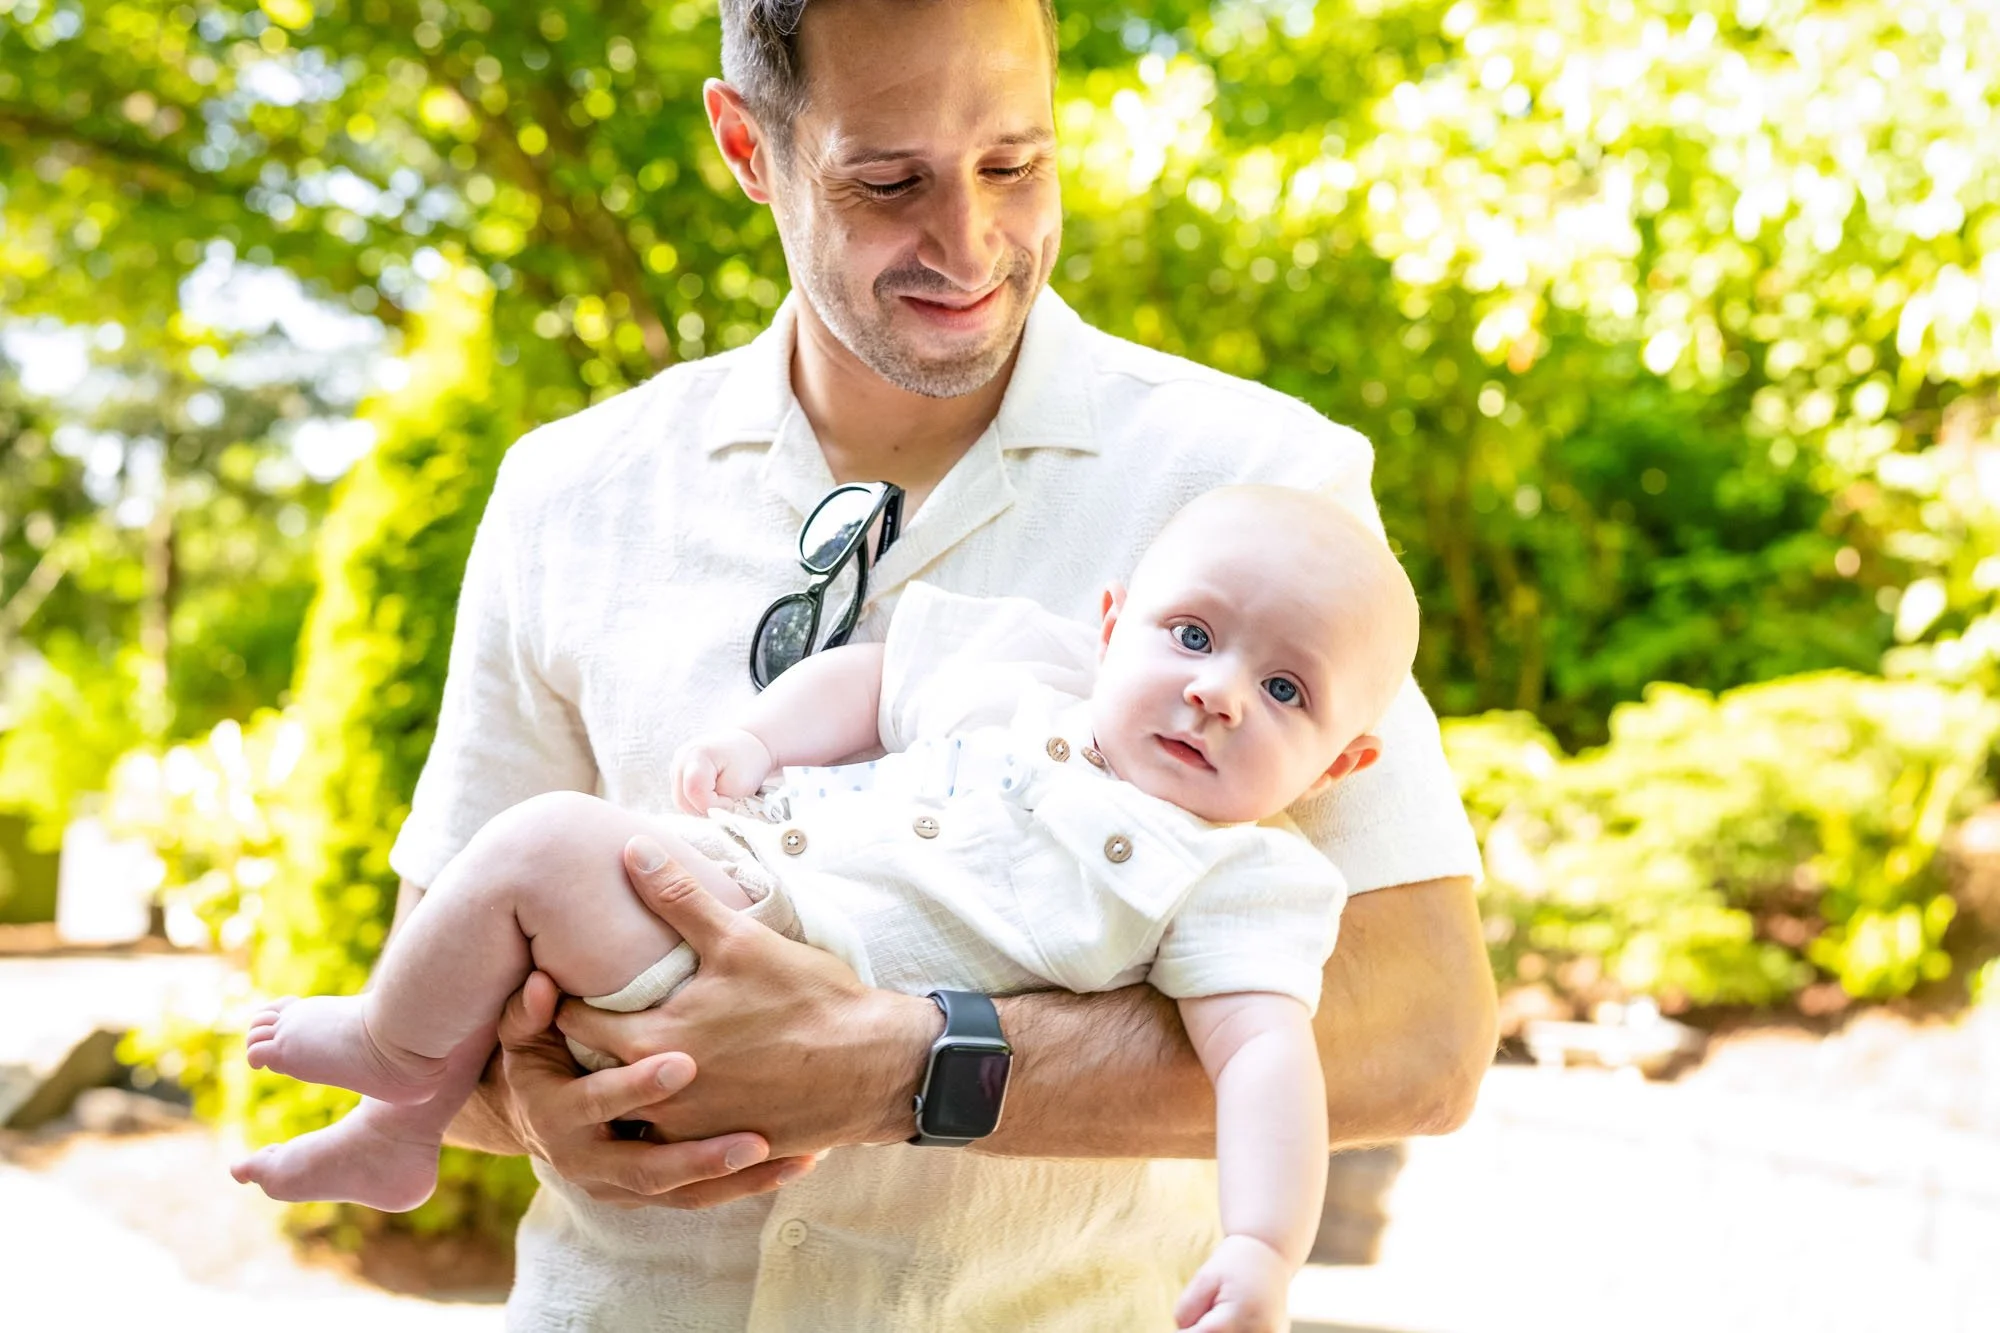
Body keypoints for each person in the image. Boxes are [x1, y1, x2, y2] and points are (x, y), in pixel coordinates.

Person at [373, 0, 1496, 1326]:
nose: (968, 243)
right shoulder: (570, 491)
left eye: (1015, 164)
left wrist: (904, 1065)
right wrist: (538, 1106)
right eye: (886, 181)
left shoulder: (1260, 488)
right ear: (749, 146)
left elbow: (1421, 1035)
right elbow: (446, 1006)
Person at [234, 486, 1419, 1331]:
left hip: (777, 954)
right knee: (518, 928)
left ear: (1339, 764)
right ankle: (402, 1124)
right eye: (1191, 635)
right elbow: (873, 677)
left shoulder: (1238, 878)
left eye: (1281, 688)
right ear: (1112, 623)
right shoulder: (1028, 673)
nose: (1214, 693)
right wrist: (756, 734)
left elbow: (1265, 1061)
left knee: (542, 848)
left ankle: (389, 1050)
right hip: (727, 874)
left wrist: (1263, 1245)